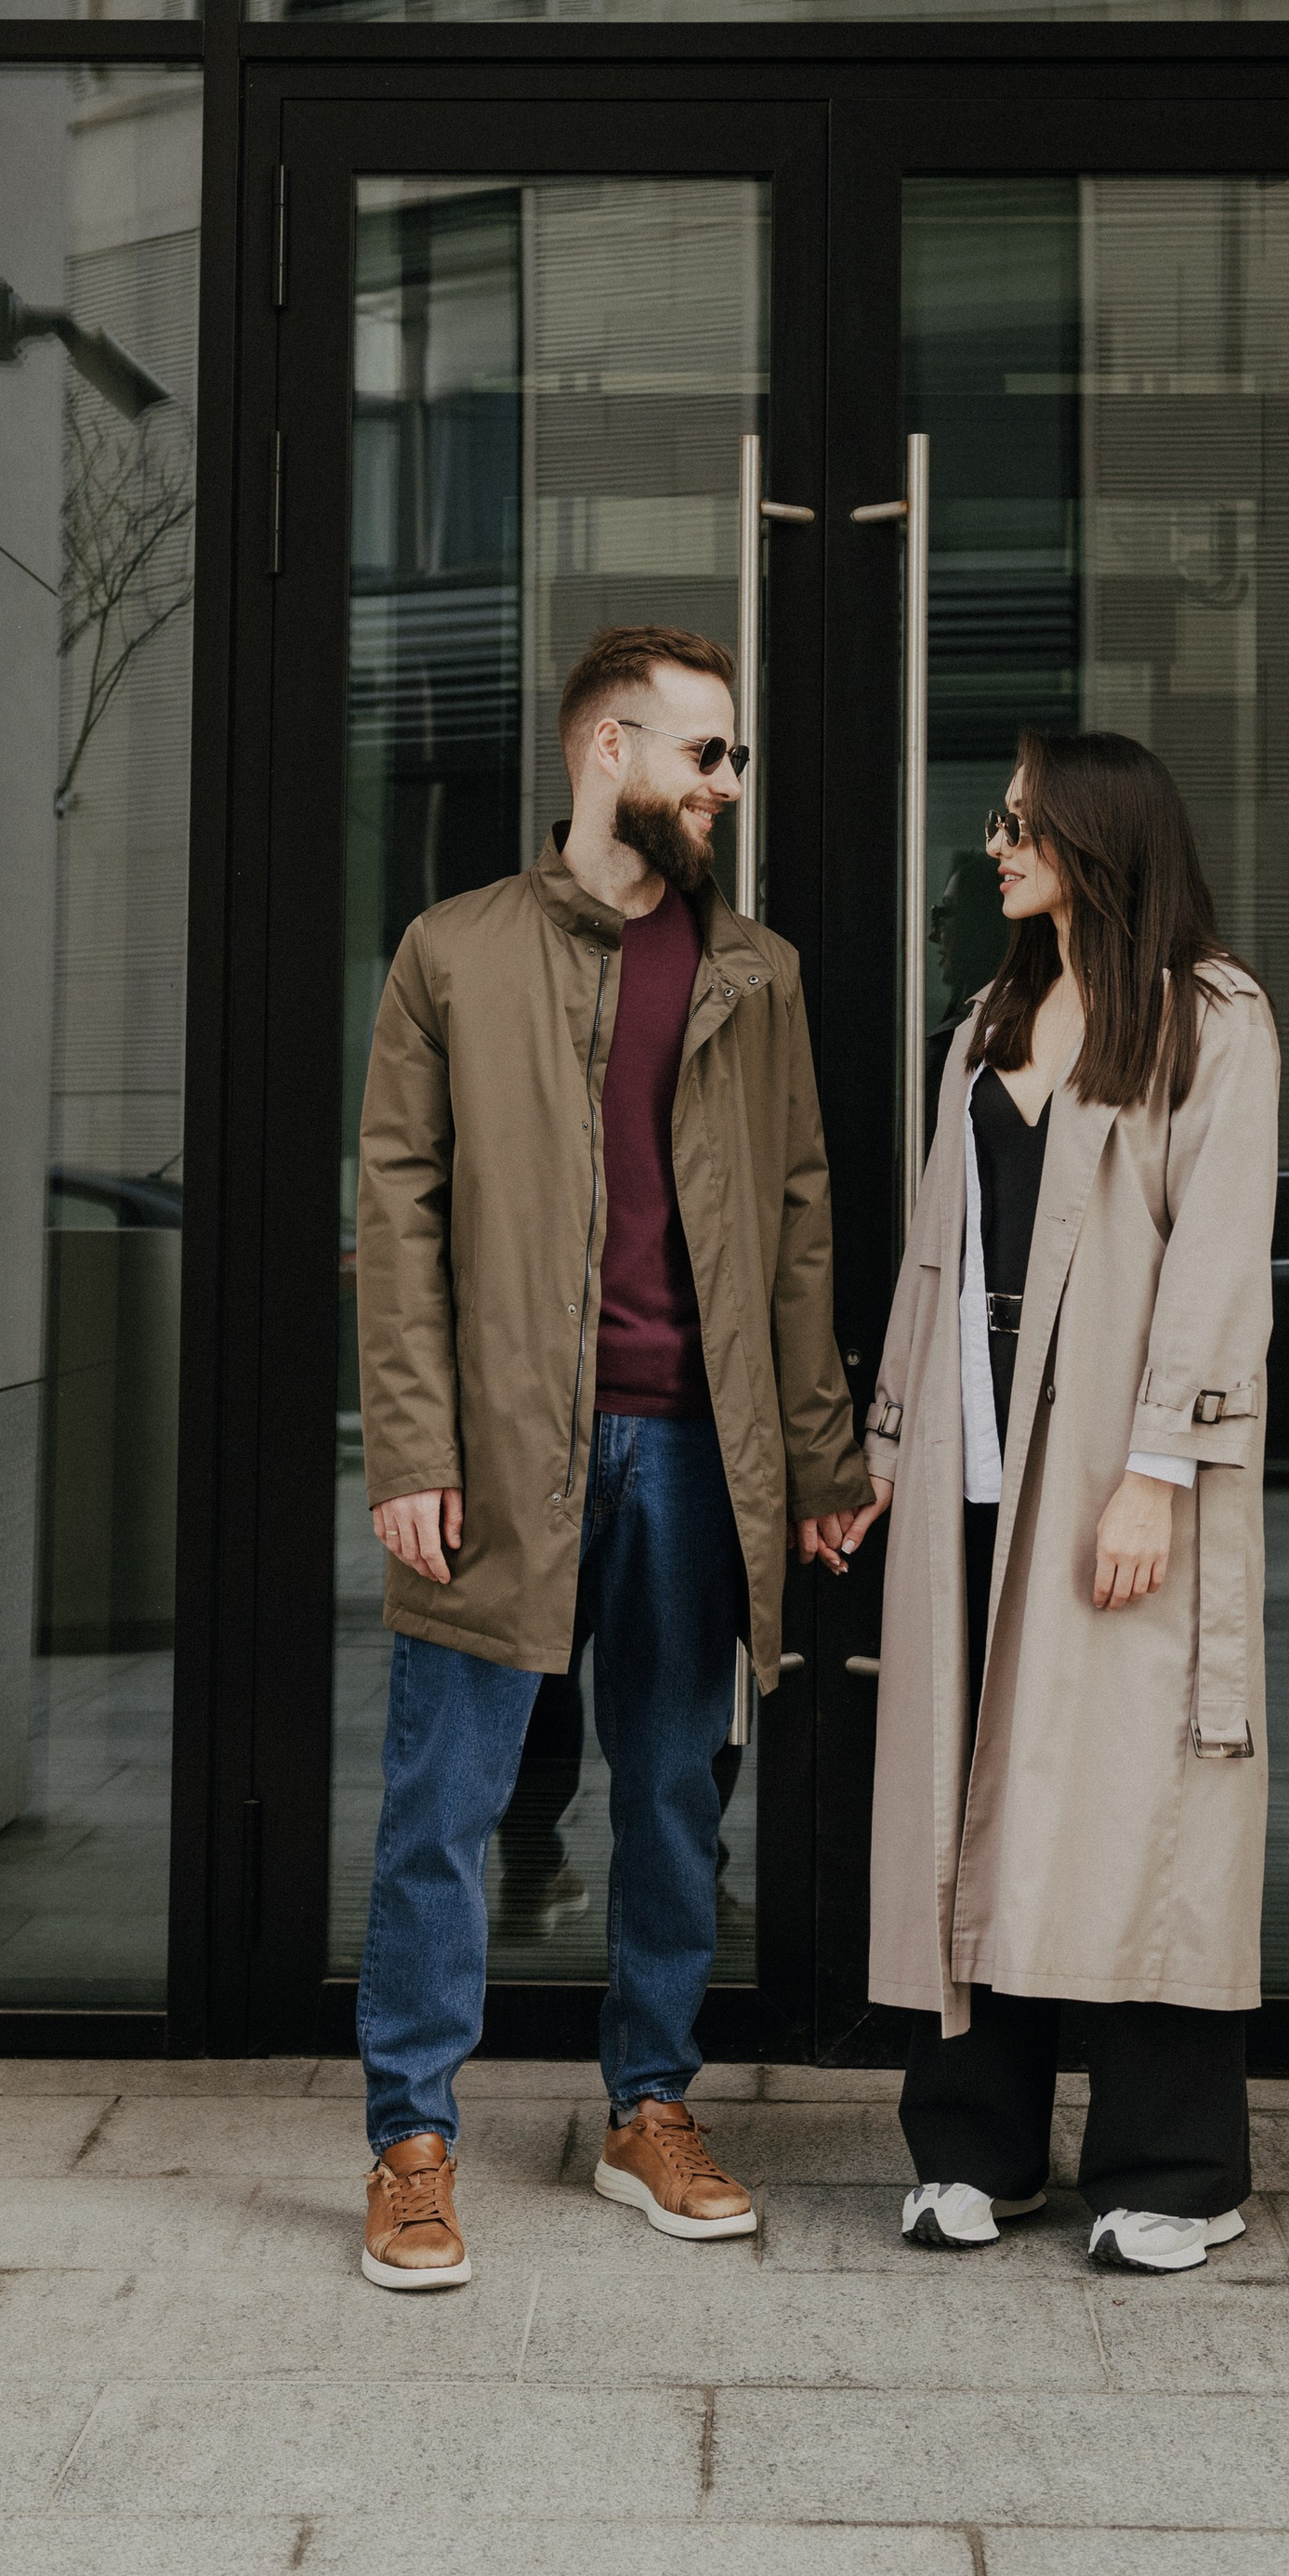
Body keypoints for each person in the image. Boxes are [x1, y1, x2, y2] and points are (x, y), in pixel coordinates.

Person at [353, 624, 871, 2289]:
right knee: (447, 1803)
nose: (727, 784)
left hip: (696, 1453)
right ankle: (411, 2144)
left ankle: (649, 2108)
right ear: (607, 756)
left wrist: (821, 1464)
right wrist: (411, 1446)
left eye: (732, 760)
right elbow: (398, 1213)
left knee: (667, 1797)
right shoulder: (452, 953)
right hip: (504, 1452)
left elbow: (799, 1229)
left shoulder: (755, 972)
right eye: (703, 755)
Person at [820, 729, 1279, 2275]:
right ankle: (978, 2149)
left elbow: (1218, 1270)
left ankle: (1173, 2170)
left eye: (1022, 821)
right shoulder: (980, 1030)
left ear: (1097, 840)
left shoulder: (1212, 1022)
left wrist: (1158, 1470)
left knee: (1136, 1803)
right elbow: (930, 1261)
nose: (997, 840)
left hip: (1114, 1480)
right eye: (1000, 818)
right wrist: (879, 1452)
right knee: (974, 1791)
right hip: (973, 1470)